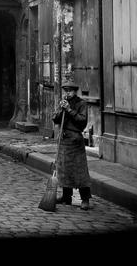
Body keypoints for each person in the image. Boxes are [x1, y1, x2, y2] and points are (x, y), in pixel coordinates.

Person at [52, 81, 91, 210]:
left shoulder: (81, 104)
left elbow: (82, 121)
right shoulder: (63, 102)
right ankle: (66, 197)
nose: (67, 93)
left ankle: (85, 199)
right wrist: (61, 110)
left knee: (79, 171)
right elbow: (55, 118)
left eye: (70, 91)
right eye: (66, 91)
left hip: (75, 140)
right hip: (64, 139)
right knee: (64, 170)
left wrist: (69, 110)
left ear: (75, 91)